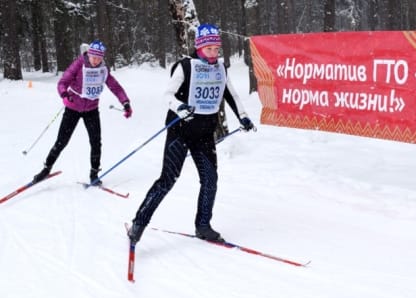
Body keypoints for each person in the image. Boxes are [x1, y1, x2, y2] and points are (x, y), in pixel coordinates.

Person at [127, 23, 254, 244]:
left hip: (204, 134)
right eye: (209, 49)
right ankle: (138, 224)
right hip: (180, 132)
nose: (214, 53)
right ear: (200, 47)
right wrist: (179, 107)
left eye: (217, 49)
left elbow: (230, 94)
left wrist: (242, 116)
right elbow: (167, 95)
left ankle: (203, 226)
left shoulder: (220, 69)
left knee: (210, 179)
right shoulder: (185, 67)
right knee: (168, 180)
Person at [32, 40, 133, 186]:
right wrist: (64, 94)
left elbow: (115, 87)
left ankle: (94, 174)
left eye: (99, 58)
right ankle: (46, 169)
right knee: (62, 141)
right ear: (89, 55)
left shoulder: (103, 69)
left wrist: (125, 102)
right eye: (93, 57)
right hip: (73, 108)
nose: (95, 61)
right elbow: (62, 82)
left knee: (96, 142)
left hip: (91, 109)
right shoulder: (79, 64)